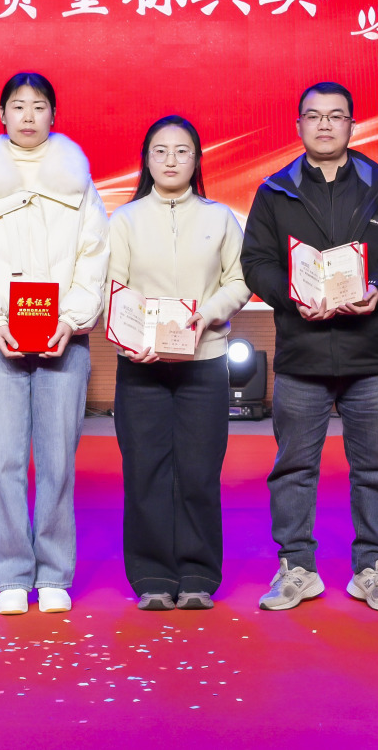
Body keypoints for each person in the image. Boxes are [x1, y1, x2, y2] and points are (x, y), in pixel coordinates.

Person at [240, 81, 378, 613]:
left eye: (336, 115)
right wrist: (292, 295)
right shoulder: (274, 190)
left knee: (375, 471)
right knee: (293, 470)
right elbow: (255, 262)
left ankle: (373, 568)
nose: (324, 124)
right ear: (298, 125)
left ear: (352, 125)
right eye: (314, 116)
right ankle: (296, 567)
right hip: (301, 357)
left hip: (370, 357)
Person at [0, 72, 109, 616]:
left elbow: (95, 254)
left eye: (39, 106)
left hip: (65, 336)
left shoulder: (77, 178)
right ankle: (12, 574)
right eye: (18, 106)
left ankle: (55, 572)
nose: (28, 116)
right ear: (1, 114)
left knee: (58, 461)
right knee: (4, 463)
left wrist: (72, 318)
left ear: (53, 115)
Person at [108, 116, 251, 611]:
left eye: (182, 151)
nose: (171, 160)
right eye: (161, 151)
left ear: (197, 160)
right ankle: (151, 575)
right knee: (144, 471)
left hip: (204, 361)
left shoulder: (220, 218)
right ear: (146, 159)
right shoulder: (124, 220)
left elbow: (239, 281)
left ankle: (196, 574)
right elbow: (114, 288)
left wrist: (207, 315)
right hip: (141, 364)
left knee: (199, 471)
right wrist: (130, 339)